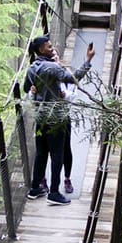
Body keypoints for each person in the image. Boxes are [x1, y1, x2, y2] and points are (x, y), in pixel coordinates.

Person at [25, 34, 94, 203]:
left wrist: (36, 92)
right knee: (57, 155)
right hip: (56, 118)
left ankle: (35, 189)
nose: (52, 48)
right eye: (49, 47)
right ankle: (54, 193)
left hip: (40, 117)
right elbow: (74, 78)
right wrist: (87, 60)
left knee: (41, 154)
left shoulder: (32, 67)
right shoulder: (51, 67)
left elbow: (27, 88)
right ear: (41, 49)